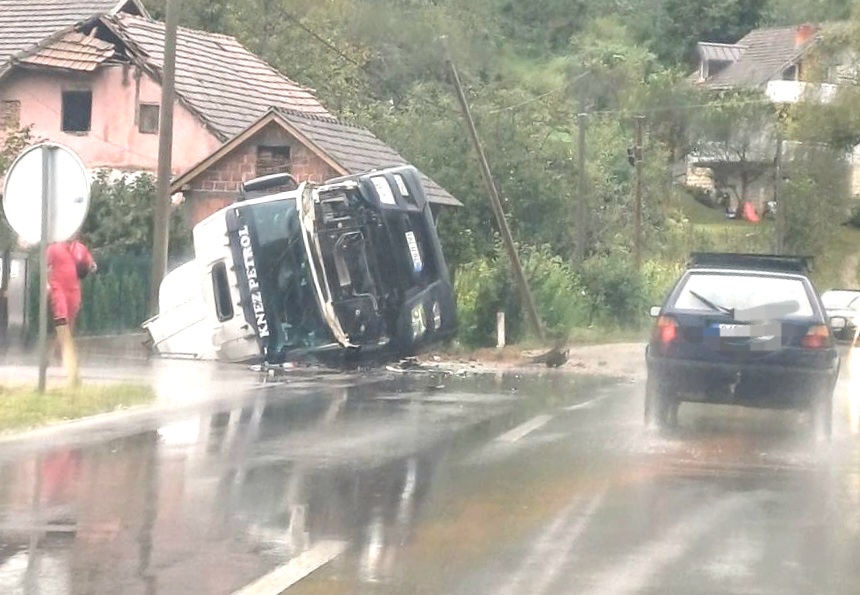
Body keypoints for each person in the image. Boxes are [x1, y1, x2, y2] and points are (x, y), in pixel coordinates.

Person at [46, 235, 96, 385]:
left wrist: (91, 267)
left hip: (74, 289)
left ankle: (56, 350)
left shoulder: (80, 248)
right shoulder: (54, 248)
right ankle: (65, 354)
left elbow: (90, 263)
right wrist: (46, 283)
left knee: (70, 322)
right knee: (62, 317)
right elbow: (46, 266)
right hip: (58, 287)